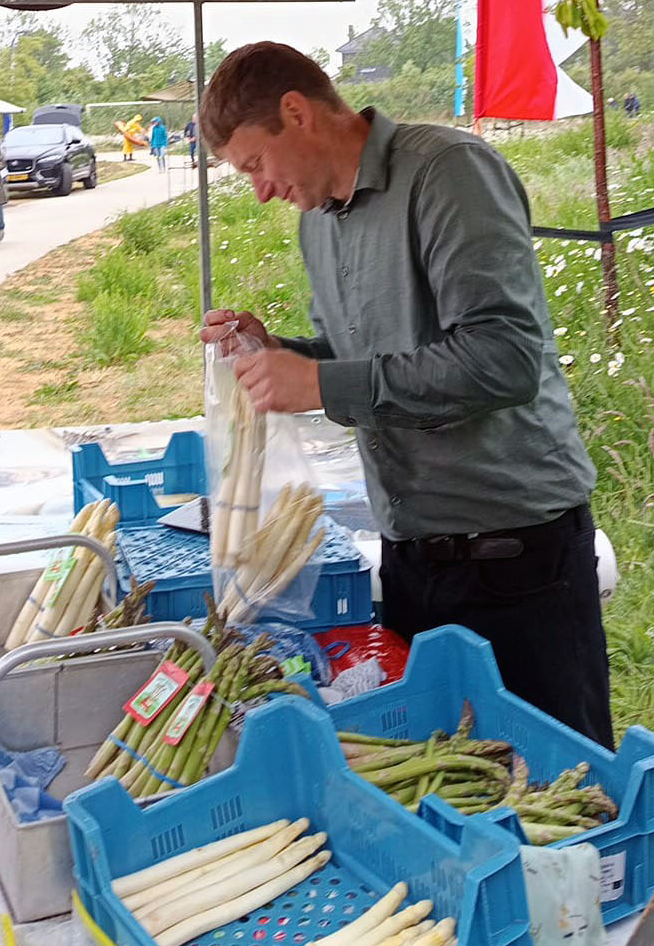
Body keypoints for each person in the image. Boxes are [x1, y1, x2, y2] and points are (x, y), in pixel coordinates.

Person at [198, 43, 613, 750]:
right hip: (412, 559)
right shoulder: (319, 222)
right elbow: (367, 358)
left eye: (255, 164)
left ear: (296, 113)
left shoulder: (448, 174)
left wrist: (320, 382)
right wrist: (281, 355)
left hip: (516, 560)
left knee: (555, 780)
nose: (261, 190)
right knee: (445, 774)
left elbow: (503, 358)